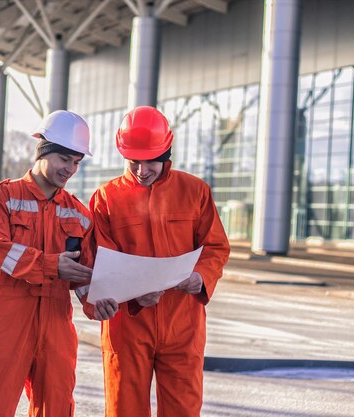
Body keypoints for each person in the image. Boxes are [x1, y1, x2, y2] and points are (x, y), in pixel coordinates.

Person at [83, 106, 230, 417]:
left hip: (183, 322)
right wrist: (132, 294)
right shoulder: (106, 198)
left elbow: (215, 246)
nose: (141, 169)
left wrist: (200, 277)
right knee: (125, 410)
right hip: (128, 324)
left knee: (184, 410)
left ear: (167, 152)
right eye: (133, 161)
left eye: (149, 160)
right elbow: (99, 261)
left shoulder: (195, 191)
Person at [0, 110, 95, 417]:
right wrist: (51, 266)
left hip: (56, 323)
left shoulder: (80, 214)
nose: (71, 169)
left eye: (77, 162)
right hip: (7, 316)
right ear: (44, 151)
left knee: (57, 408)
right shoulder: (2, 197)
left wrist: (97, 301)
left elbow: (83, 273)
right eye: (65, 159)